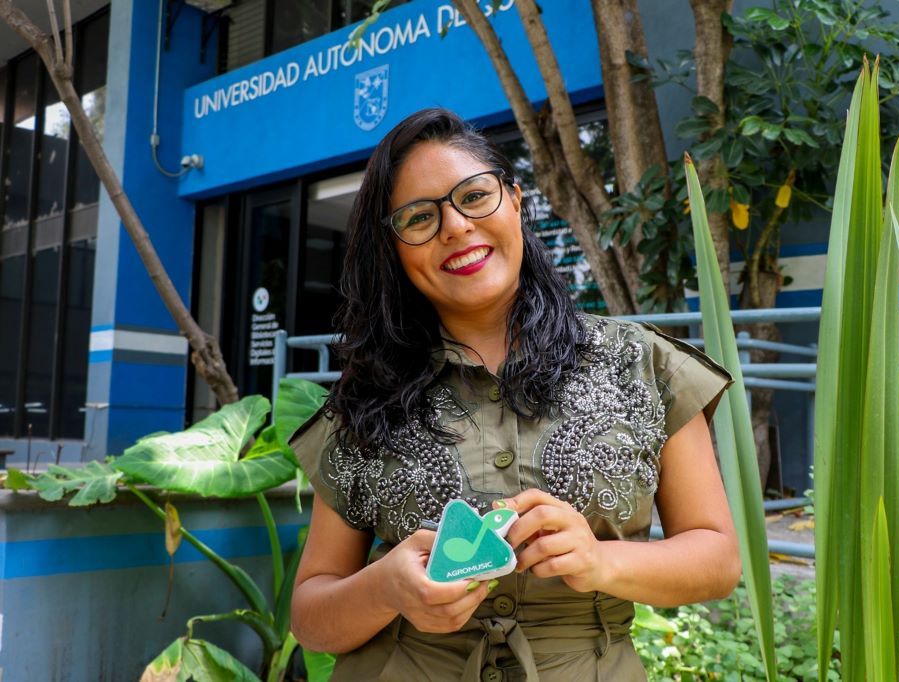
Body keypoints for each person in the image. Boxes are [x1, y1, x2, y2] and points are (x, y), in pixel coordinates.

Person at [290, 108, 741, 681]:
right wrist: (384, 589)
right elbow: (311, 620)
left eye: (474, 196)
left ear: (516, 201)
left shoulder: (642, 364)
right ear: (394, 249)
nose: (456, 227)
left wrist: (601, 560)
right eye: (419, 217)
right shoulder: (367, 397)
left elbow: (717, 561)